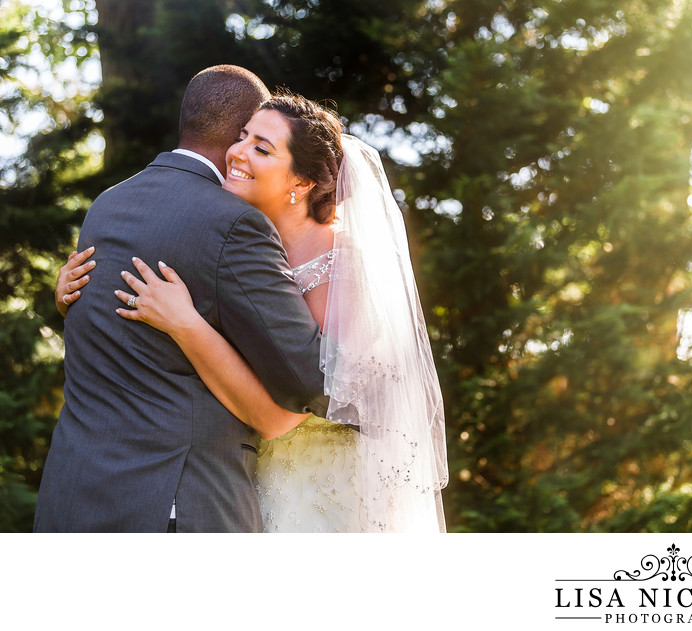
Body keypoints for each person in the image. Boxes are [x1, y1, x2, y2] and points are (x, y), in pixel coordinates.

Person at [57, 93, 449, 532]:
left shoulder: (343, 267)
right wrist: (75, 294)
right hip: (251, 485)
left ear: (299, 183)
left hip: (317, 492)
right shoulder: (247, 247)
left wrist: (184, 323)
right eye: (242, 136)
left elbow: (279, 416)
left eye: (262, 148)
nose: (238, 152)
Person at [34, 66, 329, 532]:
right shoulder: (232, 222)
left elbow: (113, 333)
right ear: (239, 133)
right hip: (171, 503)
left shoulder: (108, 203)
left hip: (73, 494)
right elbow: (310, 378)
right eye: (252, 135)